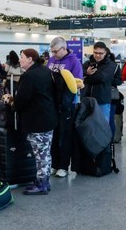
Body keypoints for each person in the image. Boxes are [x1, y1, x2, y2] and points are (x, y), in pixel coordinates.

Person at [8, 48, 57, 195]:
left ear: (30, 59)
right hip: (48, 117)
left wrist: (12, 103)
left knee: (40, 154)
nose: (19, 59)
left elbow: (22, 100)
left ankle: (41, 184)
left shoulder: (29, 76)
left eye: (22, 57)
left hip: (37, 121)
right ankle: (44, 181)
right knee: (45, 152)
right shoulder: (45, 71)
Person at [46, 36, 83, 178]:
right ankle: (54, 164)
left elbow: (78, 84)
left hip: (67, 105)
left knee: (65, 135)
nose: (54, 54)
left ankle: (63, 165)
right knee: (54, 135)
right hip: (52, 103)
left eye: (55, 51)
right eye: (52, 51)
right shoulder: (51, 60)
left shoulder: (74, 62)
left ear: (63, 48)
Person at [82, 42, 119, 121]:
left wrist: (87, 78)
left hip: (102, 100)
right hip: (87, 99)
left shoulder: (111, 65)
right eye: (95, 53)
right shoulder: (87, 63)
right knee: (87, 126)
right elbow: (79, 74)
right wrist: (86, 73)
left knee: (102, 126)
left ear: (105, 53)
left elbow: (102, 77)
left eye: (100, 53)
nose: (97, 55)